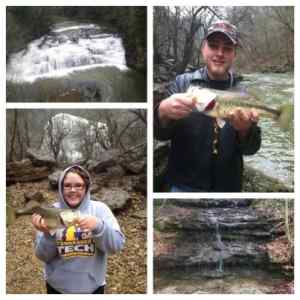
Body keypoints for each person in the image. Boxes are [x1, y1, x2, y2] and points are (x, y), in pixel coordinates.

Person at [154, 20, 261, 192]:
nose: (220, 53)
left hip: (228, 189)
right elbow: (161, 134)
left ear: (234, 54)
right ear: (203, 48)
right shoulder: (182, 83)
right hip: (183, 186)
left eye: (227, 48)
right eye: (213, 46)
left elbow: (251, 149)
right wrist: (162, 112)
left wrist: (244, 131)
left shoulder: (244, 94)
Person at [31, 165, 125, 294]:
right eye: (67, 185)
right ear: (61, 188)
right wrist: (48, 234)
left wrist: (99, 226)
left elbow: (116, 246)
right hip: (57, 287)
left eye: (79, 185)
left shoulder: (100, 210)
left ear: (86, 188)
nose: (73, 190)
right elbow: (42, 256)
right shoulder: (51, 212)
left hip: (93, 287)